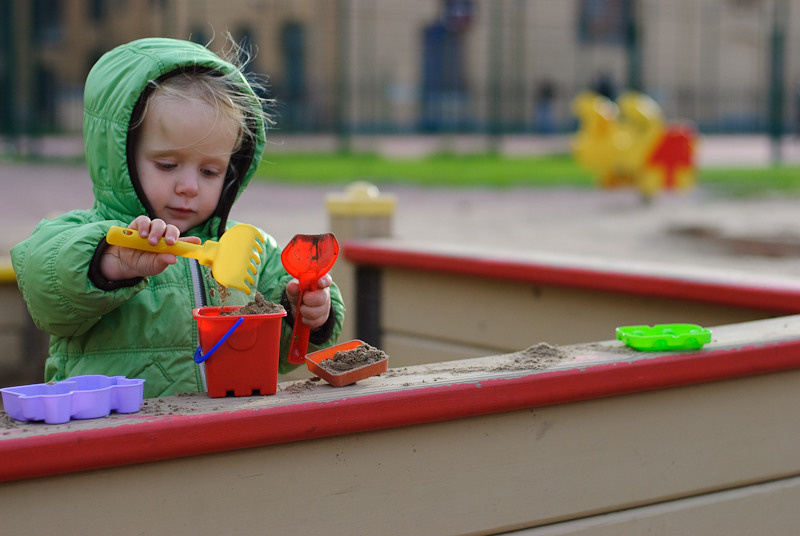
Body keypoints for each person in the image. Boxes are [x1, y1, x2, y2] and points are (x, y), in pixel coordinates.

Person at [10, 37, 345, 398]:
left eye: (210, 171)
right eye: (167, 165)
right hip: (108, 433)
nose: (189, 186)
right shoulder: (84, 236)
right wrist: (108, 263)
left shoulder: (253, 251)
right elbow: (46, 287)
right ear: (120, 154)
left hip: (221, 433)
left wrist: (305, 313)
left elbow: (281, 355)